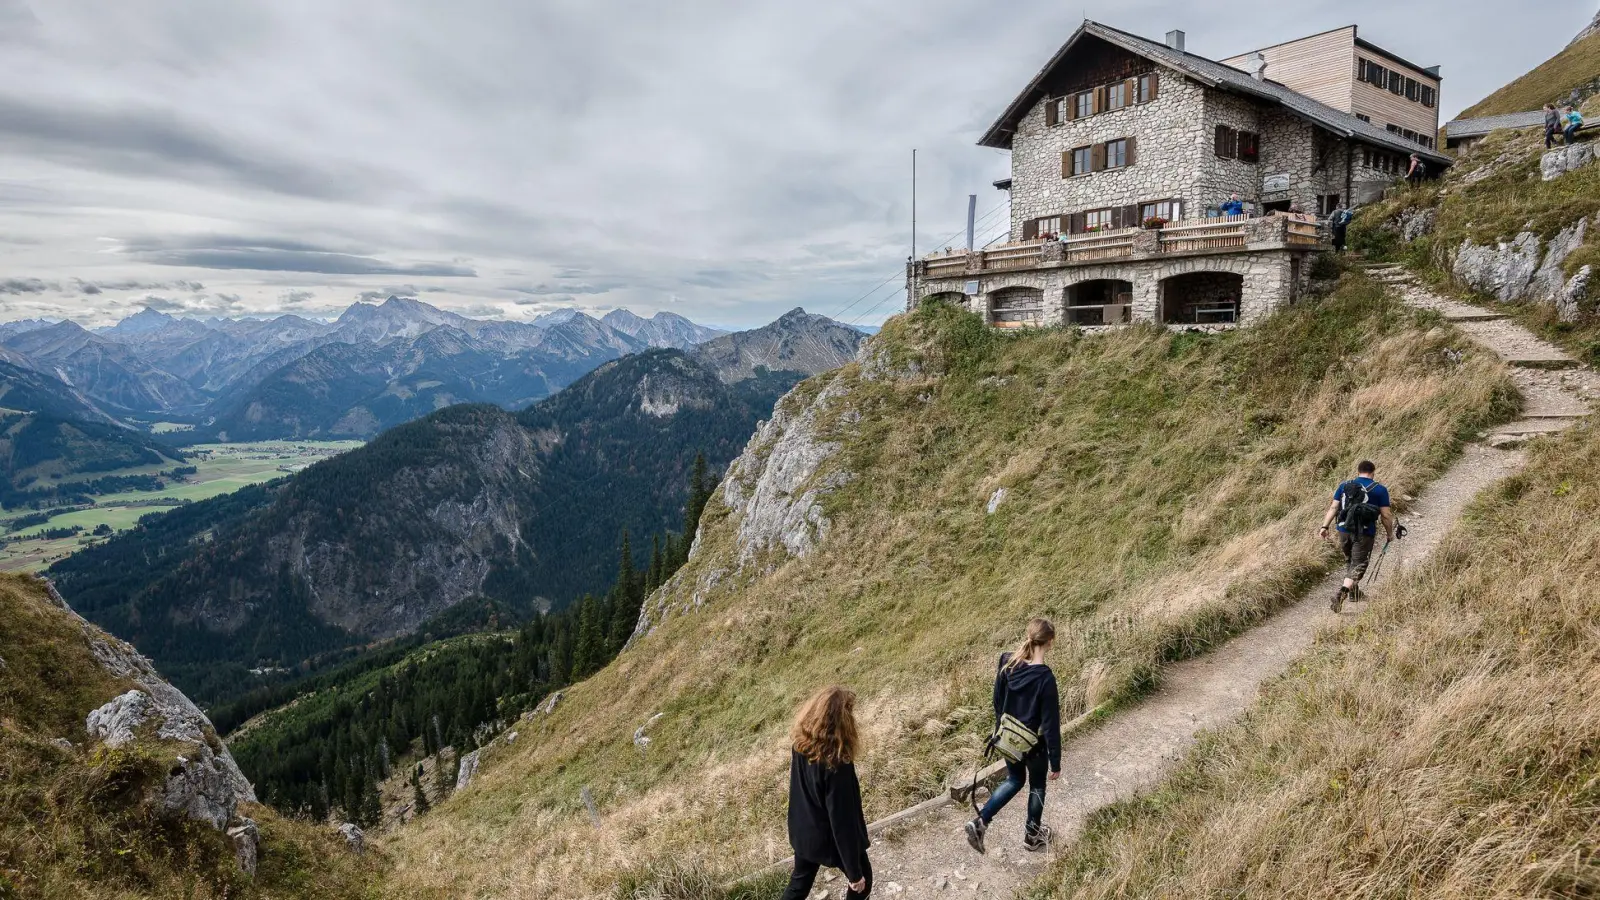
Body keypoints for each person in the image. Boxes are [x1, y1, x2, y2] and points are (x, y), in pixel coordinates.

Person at [965, 618, 1062, 855]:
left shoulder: (1007, 663)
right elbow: (1050, 725)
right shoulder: (1045, 679)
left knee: (1014, 779)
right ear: (1050, 642)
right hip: (1035, 746)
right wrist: (1056, 762)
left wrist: (1002, 729)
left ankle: (980, 822)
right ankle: (1032, 836)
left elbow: (997, 702)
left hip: (1008, 737)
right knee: (1037, 786)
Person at [782, 686, 872, 900]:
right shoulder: (837, 765)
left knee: (799, 884)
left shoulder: (801, 745)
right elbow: (843, 822)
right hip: (828, 837)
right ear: (840, 721)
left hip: (804, 832)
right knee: (863, 883)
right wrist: (854, 872)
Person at [1319, 460, 1394, 612]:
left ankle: (1354, 593)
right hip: (1364, 532)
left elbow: (1334, 507)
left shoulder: (1344, 486)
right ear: (1373, 472)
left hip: (1343, 529)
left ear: (1358, 471)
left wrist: (1324, 526)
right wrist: (1390, 533)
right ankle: (1341, 594)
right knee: (1359, 565)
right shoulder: (1380, 490)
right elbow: (1386, 515)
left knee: (1350, 561)